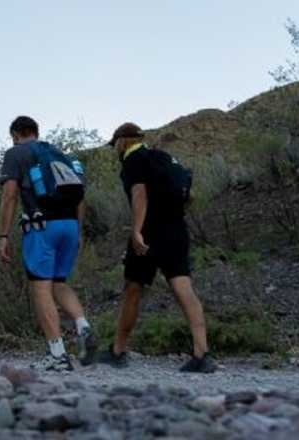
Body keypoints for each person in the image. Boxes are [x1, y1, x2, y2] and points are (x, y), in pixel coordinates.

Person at [99, 122, 216, 373]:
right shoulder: (163, 157)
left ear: (123, 141)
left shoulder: (133, 159)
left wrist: (137, 231)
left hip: (150, 232)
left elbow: (139, 195)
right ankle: (202, 352)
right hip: (176, 230)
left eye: (115, 145)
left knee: (133, 287)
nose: (115, 150)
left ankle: (117, 351)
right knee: (182, 286)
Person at [0, 116, 97, 372]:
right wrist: (78, 230)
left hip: (42, 228)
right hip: (70, 225)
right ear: (36, 132)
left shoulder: (16, 153)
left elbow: (9, 195)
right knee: (59, 283)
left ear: (16, 135)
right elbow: (80, 196)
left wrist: (3, 235)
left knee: (41, 288)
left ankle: (57, 355)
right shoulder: (59, 153)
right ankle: (83, 325)